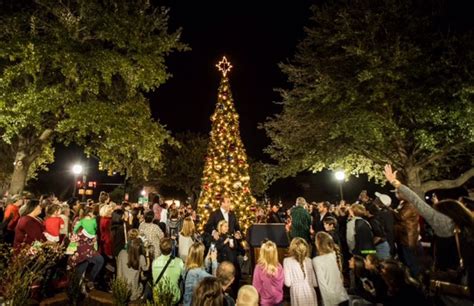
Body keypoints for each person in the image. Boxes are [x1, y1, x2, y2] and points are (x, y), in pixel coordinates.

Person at [384, 164, 474, 301]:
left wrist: (396, 183)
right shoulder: (467, 224)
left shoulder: (443, 223)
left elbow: (417, 201)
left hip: (449, 277)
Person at [313, 232, 348, 306]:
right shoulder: (334, 254)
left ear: (318, 244)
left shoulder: (317, 260)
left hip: (331, 299)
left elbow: (322, 283)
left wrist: (327, 302)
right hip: (342, 295)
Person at [392, 188, 421, 276]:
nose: (396, 195)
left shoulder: (410, 204)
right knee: (405, 260)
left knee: (411, 262)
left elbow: (401, 216)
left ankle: (417, 280)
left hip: (408, 238)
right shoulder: (403, 203)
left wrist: (391, 210)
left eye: (397, 193)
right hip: (403, 236)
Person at [283, 237, 318, 306]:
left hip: (297, 294)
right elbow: (315, 283)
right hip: (310, 292)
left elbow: (288, 283)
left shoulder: (287, 261)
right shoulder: (309, 260)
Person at [182, 242, 218, 306]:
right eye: (203, 253)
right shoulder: (197, 273)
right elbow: (215, 280)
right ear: (200, 256)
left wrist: (207, 259)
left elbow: (203, 270)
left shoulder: (186, 268)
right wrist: (214, 260)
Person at [152, 237, 184, 305]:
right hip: (173, 298)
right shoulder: (179, 262)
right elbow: (184, 276)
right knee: (182, 281)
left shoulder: (154, 262)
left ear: (160, 249)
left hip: (158, 296)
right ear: (171, 248)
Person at [252, 240, 284, 306]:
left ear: (262, 253)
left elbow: (256, 286)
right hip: (278, 299)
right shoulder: (279, 267)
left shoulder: (258, 268)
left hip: (265, 301)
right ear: (275, 253)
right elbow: (281, 284)